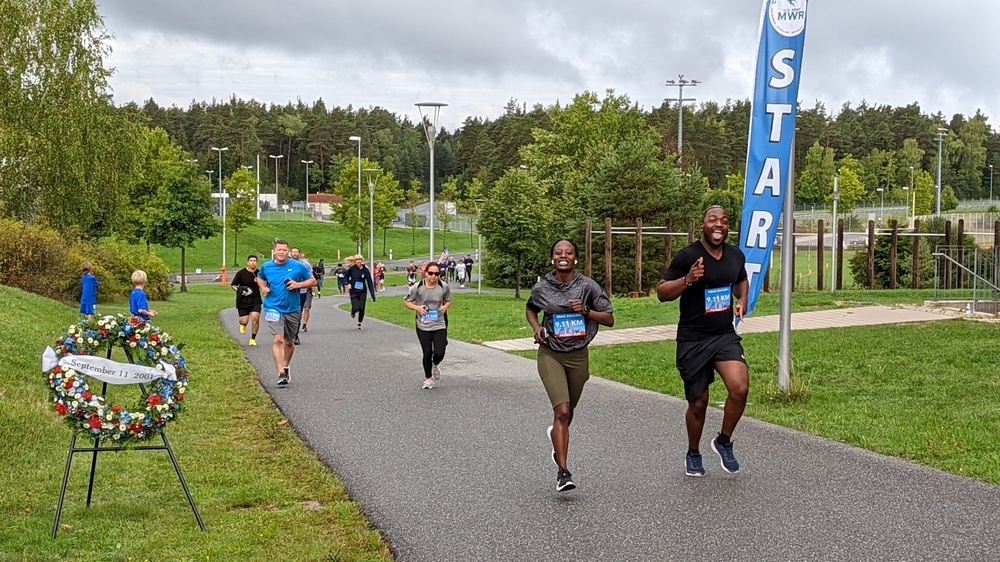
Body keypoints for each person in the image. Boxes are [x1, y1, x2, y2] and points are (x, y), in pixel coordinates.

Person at [657, 205, 749, 477]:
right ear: (702, 226)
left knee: (740, 387)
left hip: (723, 335)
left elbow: (741, 280)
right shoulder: (688, 256)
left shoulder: (735, 255)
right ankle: (694, 452)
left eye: (723, 220)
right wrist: (687, 279)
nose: (718, 225)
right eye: (712, 220)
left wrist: (742, 299)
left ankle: (723, 441)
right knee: (698, 402)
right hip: (693, 339)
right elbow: (662, 292)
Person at [526, 239, 614, 493]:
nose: (563, 256)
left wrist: (586, 311)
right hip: (550, 353)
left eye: (569, 252)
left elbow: (609, 318)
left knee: (568, 412)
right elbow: (531, 309)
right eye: (558, 252)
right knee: (562, 410)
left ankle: (557, 435)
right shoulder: (542, 288)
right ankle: (563, 473)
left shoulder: (587, 286)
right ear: (552, 258)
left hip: (578, 356)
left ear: (575, 258)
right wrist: (537, 327)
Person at [256, 239, 316, 385]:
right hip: (272, 307)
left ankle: (286, 365)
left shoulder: (297, 266)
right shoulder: (267, 266)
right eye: (279, 250)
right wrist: (263, 288)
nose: (281, 252)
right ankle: (281, 373)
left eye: (284, 250)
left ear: (287, 252)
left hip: (292, 308)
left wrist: (298, 284)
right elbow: (260, 278)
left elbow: (313, 281)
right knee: (278, 340)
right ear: (274, 251)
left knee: (289, 342)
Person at [403, 262, 453, 389]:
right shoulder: (417, 287)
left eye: (436, 274)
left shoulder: (443, 286)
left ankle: (435, 364)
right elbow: (407, 302)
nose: (433, 276)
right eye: (430, 273)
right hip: (423, 324)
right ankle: (428, 379)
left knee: (439, 351)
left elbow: (449, 300)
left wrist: (445, 307)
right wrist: (417, 308)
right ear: (425, 273)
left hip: (439, 322)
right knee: (427, 352)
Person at [230, 255, 263, 346]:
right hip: (243, 300)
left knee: (255, 317)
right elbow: (233, 285)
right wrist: (239, 290)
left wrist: (260, 283)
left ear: (257, 262)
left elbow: (264, 285)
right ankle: (243, 325)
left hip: (255, 299)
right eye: (251, 261)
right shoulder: (241, 273)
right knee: (243, 321)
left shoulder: (260, 273)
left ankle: (253, 338)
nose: (252, 262)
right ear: (247, 262)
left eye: (254, 261)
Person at [344, 254, 376, 329]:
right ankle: (353, 311)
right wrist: (348, 283)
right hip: (353, 291)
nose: (358, 264)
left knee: (362, 307)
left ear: (362, 262)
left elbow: (369, 282)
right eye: (357, 262)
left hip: (362, 291)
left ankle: (359, 322)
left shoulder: (365, 270)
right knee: (356, 307)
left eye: (360, 262)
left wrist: (373, 295)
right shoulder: (352, 269)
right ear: (355, 262)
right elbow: (346, 276)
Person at [290, 247, 311, 342]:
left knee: (297, 314)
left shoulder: (305, 264)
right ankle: (287, 333)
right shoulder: (286, 263)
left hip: (301, 292)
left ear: (299, 253)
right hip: (288, 292)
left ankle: (295, 335)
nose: (294, 253)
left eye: (296, 252)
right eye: (293, 252)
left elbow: (311, 278)